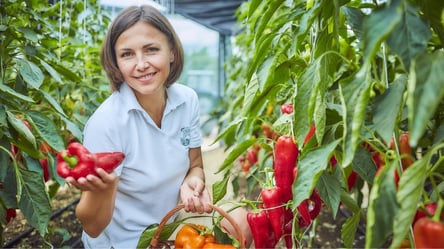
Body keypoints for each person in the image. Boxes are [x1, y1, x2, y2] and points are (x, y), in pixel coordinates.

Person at [65, 5, 214, 248]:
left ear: (172, 53)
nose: (141, 64)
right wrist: (105, 188)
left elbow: (195, 165)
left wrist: (192, 181)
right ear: (115, 62)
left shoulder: (187, 101)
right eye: (127, 54)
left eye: (151, 50)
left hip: (167, 238)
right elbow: (92, 226)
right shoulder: (107, 123)